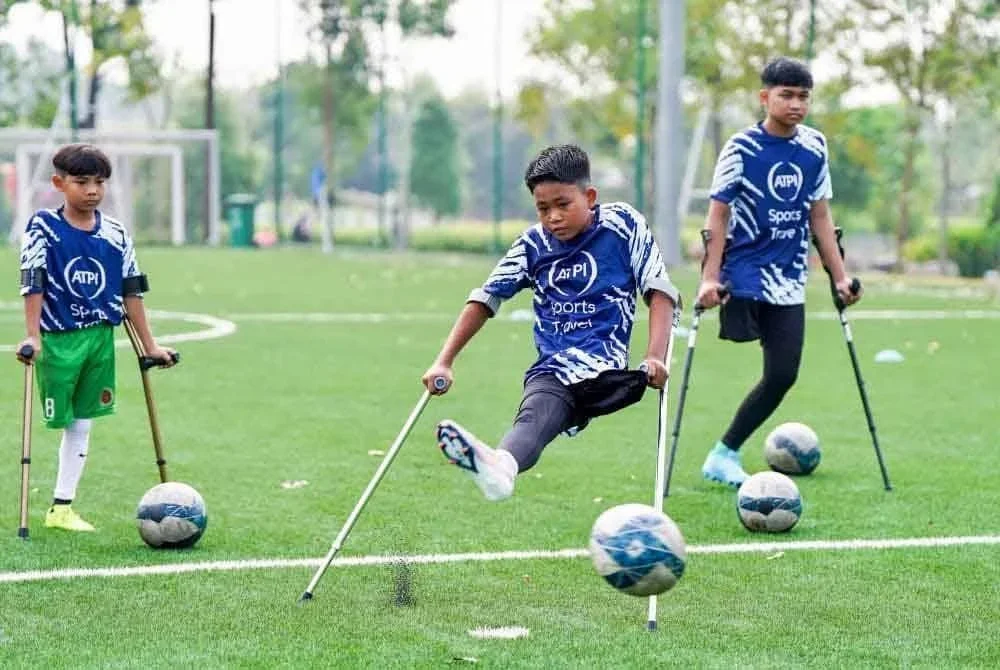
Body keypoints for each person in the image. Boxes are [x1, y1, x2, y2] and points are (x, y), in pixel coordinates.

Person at [421, 144, 680, 501]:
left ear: (589, 196)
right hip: (553, 368)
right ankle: (500, 467)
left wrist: (655, 356)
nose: (553, 217)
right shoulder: (532, 245)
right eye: (543, 209)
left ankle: (499, 465)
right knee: (534, 417)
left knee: (564, 400)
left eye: (563, 204)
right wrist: (444, 360)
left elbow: (659, 290)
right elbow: (486, 297)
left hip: (605, 374)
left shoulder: (622, 225)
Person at [696, 56, 860, 488]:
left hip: (789, 278)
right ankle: (725, 454)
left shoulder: (814, 147)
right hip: (745, 272)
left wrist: (840, 277)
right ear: (765, 97)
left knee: (783, 374)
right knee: (750, 346)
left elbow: (820, 216)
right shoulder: (741, 148)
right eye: (786, 95)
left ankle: (722, 454)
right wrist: (709, 278)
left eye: (803, 96)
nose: (796, 104)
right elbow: (718, 217)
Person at [16, 143, 177, 531]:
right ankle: (58, 507)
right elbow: (33, 281)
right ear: (59, 183)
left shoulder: (117, 233)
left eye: (100, 182)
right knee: (61, 419)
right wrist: (32, 336)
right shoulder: (43, 227)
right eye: (82, 181)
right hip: (59, 339)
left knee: (83, 424)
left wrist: (151, 346)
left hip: (101, 338)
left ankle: (61, 508)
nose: (92, 190)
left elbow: (131, 290)